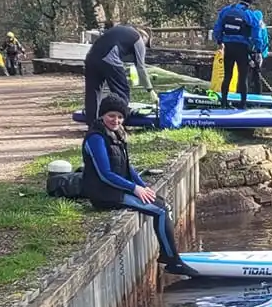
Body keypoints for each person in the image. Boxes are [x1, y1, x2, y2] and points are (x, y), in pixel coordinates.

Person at [80, 105, 190, 277]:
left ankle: (167, 255)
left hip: (117, 188)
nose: (115, 120)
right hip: (105, 193)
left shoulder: (117, 133)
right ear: (102, 115)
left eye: (119, 117)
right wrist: (135, 189)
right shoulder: (95, 138)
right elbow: (105, 175)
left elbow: (126, 166)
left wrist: (142, 185)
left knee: (163, 204)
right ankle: (173, 261)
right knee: (160, 211)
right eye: (111, 115)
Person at [212, 0, 269, 104]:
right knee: (242, 77)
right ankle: (242, 104)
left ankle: (224, 102)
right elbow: (256, 33)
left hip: (228, 46)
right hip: (242, 48)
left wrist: (219, 40)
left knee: (227, 75)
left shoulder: (226, 10)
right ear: (250, 2)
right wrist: (258, 50)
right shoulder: (249, 14)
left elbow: (217, 27)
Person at [82, 24, 149, 120]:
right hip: (109, 59)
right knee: (122, 91)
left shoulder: (121, 31)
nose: (144, 47)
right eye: (146, 45)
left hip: (90, 58)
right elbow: (141, 67)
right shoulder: (138, 39)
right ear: (144, 38)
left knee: (93, 93)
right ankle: (119, 122)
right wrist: (149, 89)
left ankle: (92, 124)